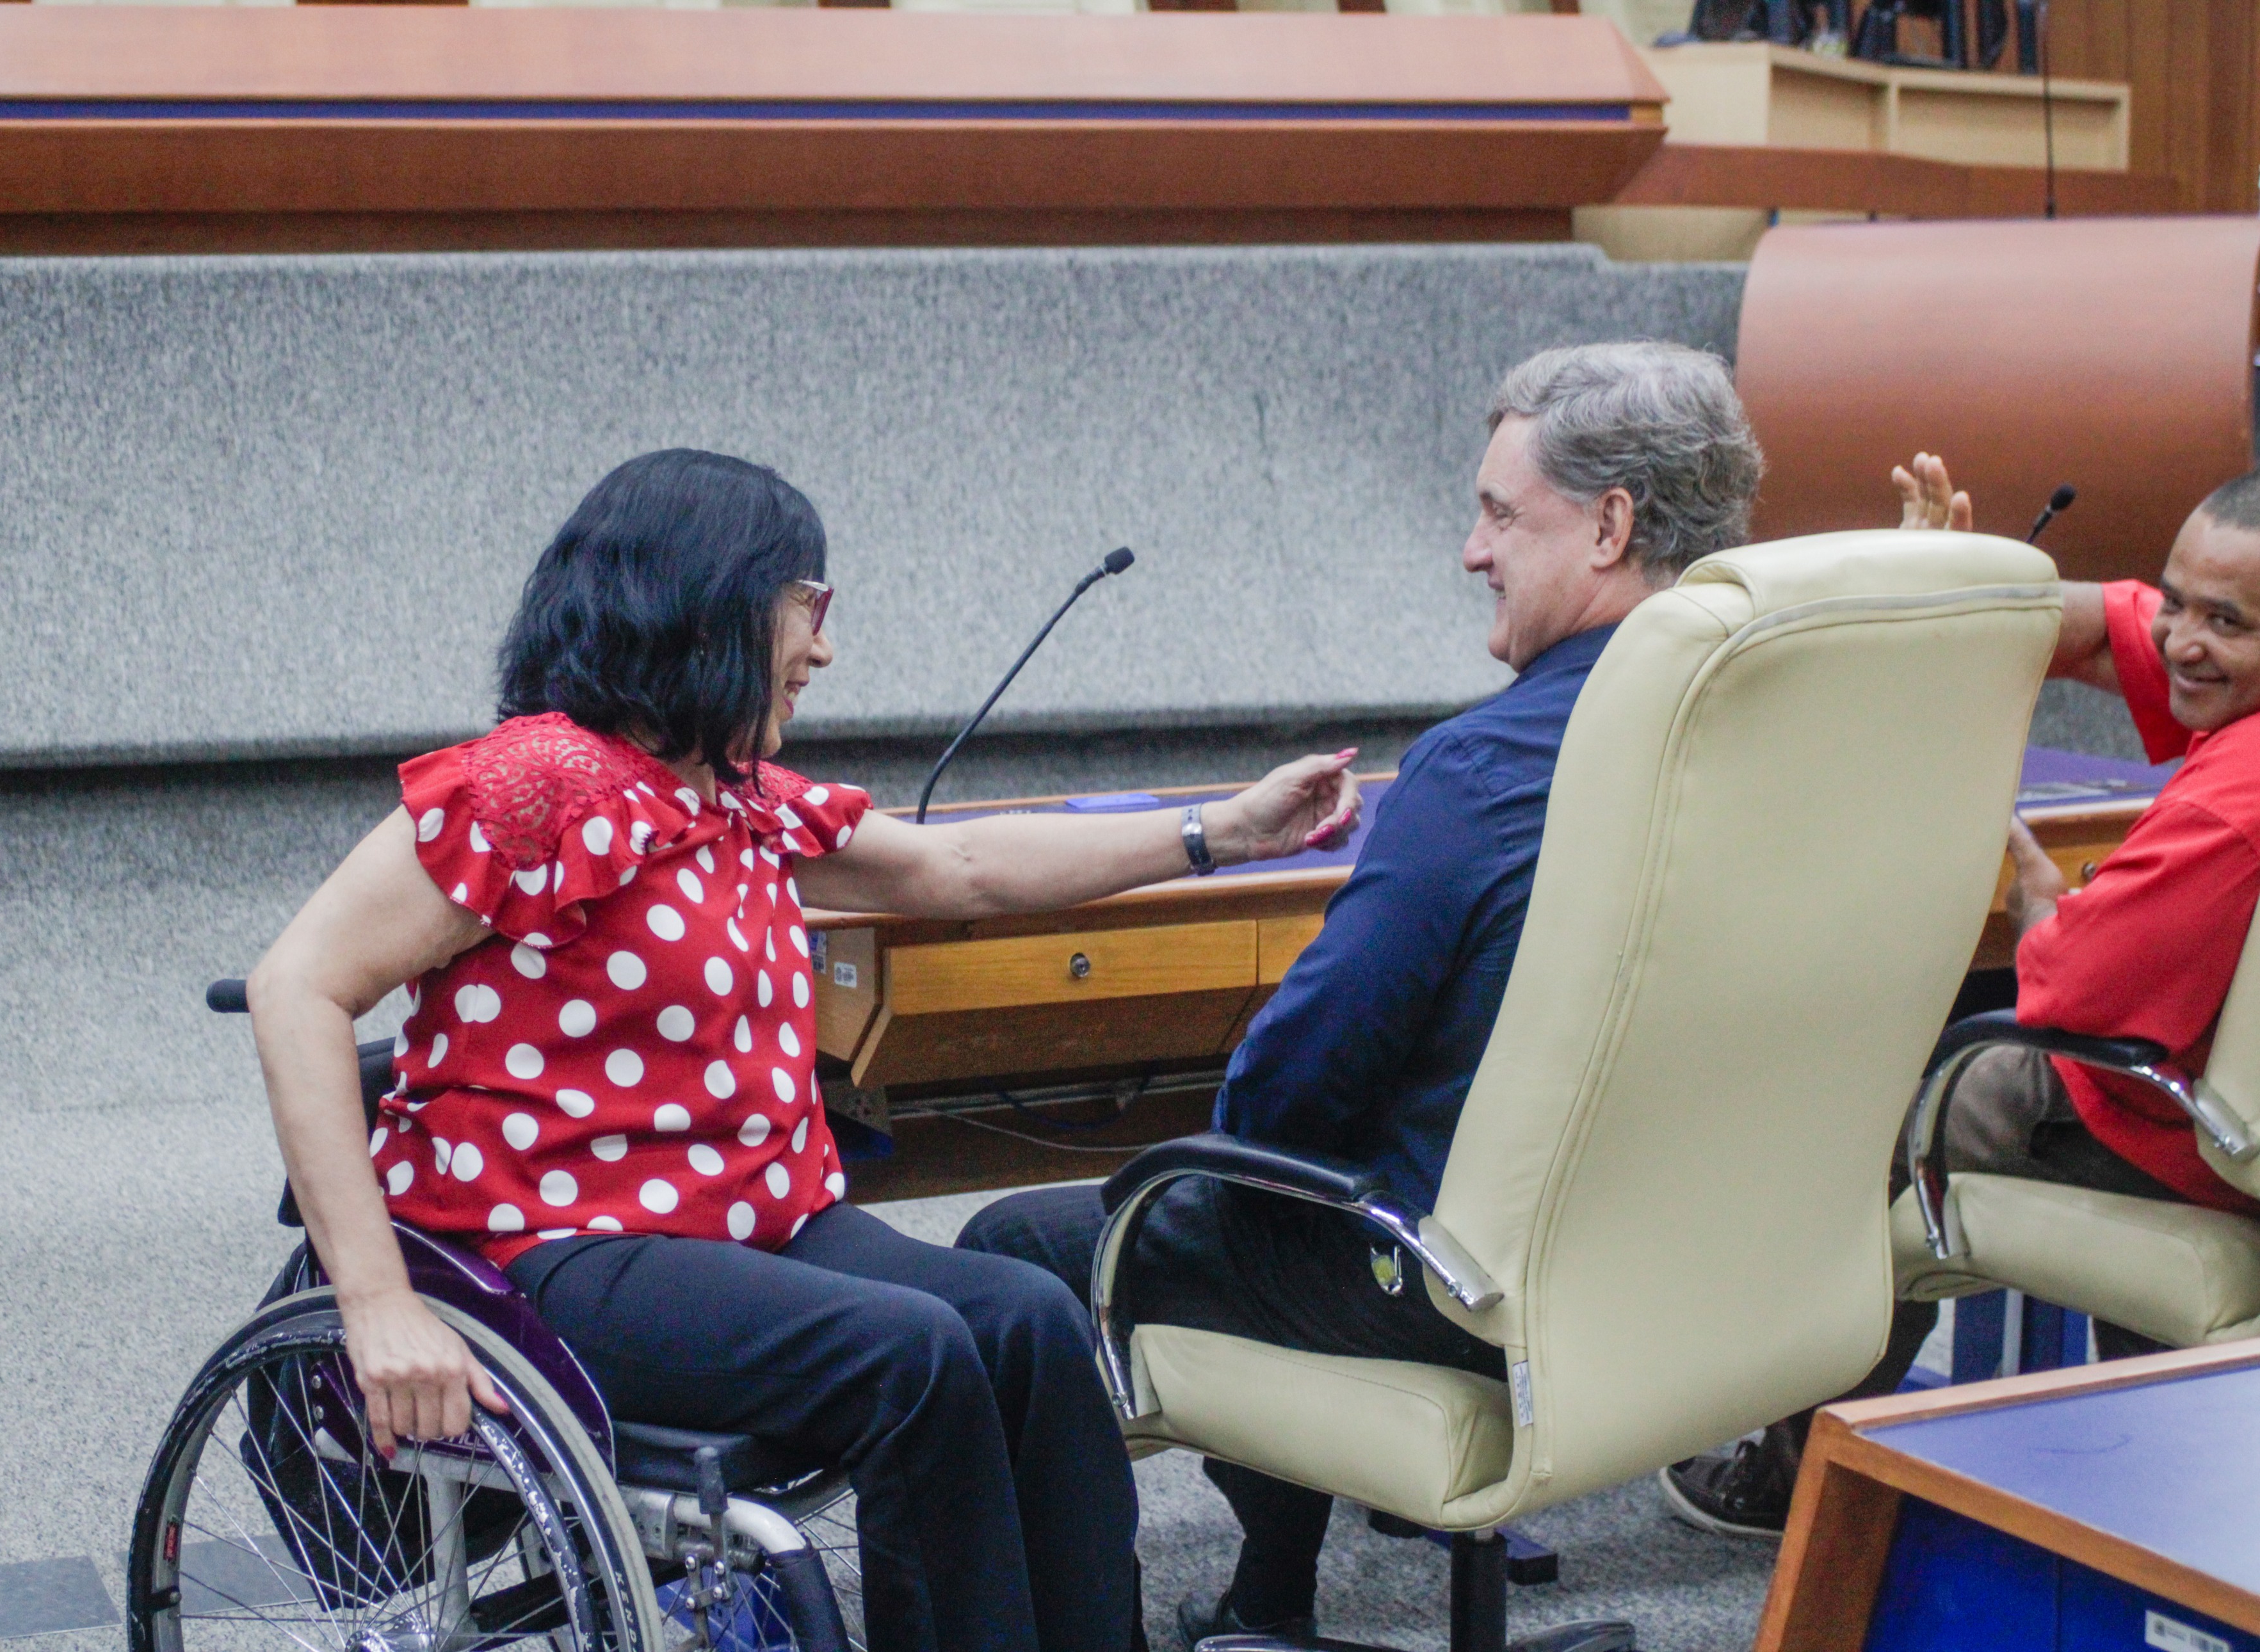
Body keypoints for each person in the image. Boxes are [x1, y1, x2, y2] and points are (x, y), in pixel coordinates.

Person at [244, 447, 1366, 1652]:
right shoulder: (532, 785)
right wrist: (375, 1302)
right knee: (913, 1357)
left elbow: (960, 868)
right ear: (711, 601)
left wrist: (1223, 831)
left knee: (1031, 1320)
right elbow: (296, 984)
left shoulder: (730, 795)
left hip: (745, 1223)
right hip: (556, 1248)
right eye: (807, 604)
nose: (822, 648)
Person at [956, 341, 1766, 1646]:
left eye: (1500, 514)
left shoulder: (1479, 771)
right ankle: (1264, 1594)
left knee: (1035, 1244)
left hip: (1465, 1293)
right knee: (1280, 1198)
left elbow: (1291, 1086)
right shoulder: (1780, 732)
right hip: (1700, 1270)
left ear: (1611, 527)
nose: (1470, 549)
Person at [1659, 453, 2260, 1540]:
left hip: (2171, 1124)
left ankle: (1789, 1475)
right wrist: (1954, 581)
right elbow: (2096, 625)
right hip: (2201, 1091)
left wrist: (2044, 908)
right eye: (2179, 601)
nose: (2182, 639)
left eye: (2227, 622)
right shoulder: (2226, 693)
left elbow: (2064, 995)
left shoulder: (2231, 803)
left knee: (1876, 1115)